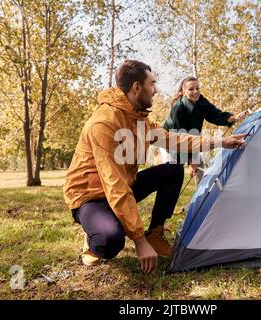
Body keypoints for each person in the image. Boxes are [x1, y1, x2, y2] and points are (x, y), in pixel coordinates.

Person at [63, 60, 246, 274]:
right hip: (90, 196)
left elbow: (174, 139)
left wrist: (220, 142)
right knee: (110, 240)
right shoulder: (104, 124)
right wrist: (138, 241)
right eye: (152, 84)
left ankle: (155, 233)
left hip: (122, 185)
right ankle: (93, 239)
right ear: (136, 87)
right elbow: (115, 185)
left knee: (173, 169)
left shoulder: (137, 118)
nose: (156, 90)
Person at [162, 76, 249, 185]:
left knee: (199, 170)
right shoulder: (178, 109)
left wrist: (234, 117)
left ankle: (200, 199)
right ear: (183, 92)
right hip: (172, 144)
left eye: (197, 88)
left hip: (192, 141)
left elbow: (215, 115)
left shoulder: (201, 101)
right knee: (174, 175)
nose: (195, 92)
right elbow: (181, 139)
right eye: (191, 89)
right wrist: (191, 161)